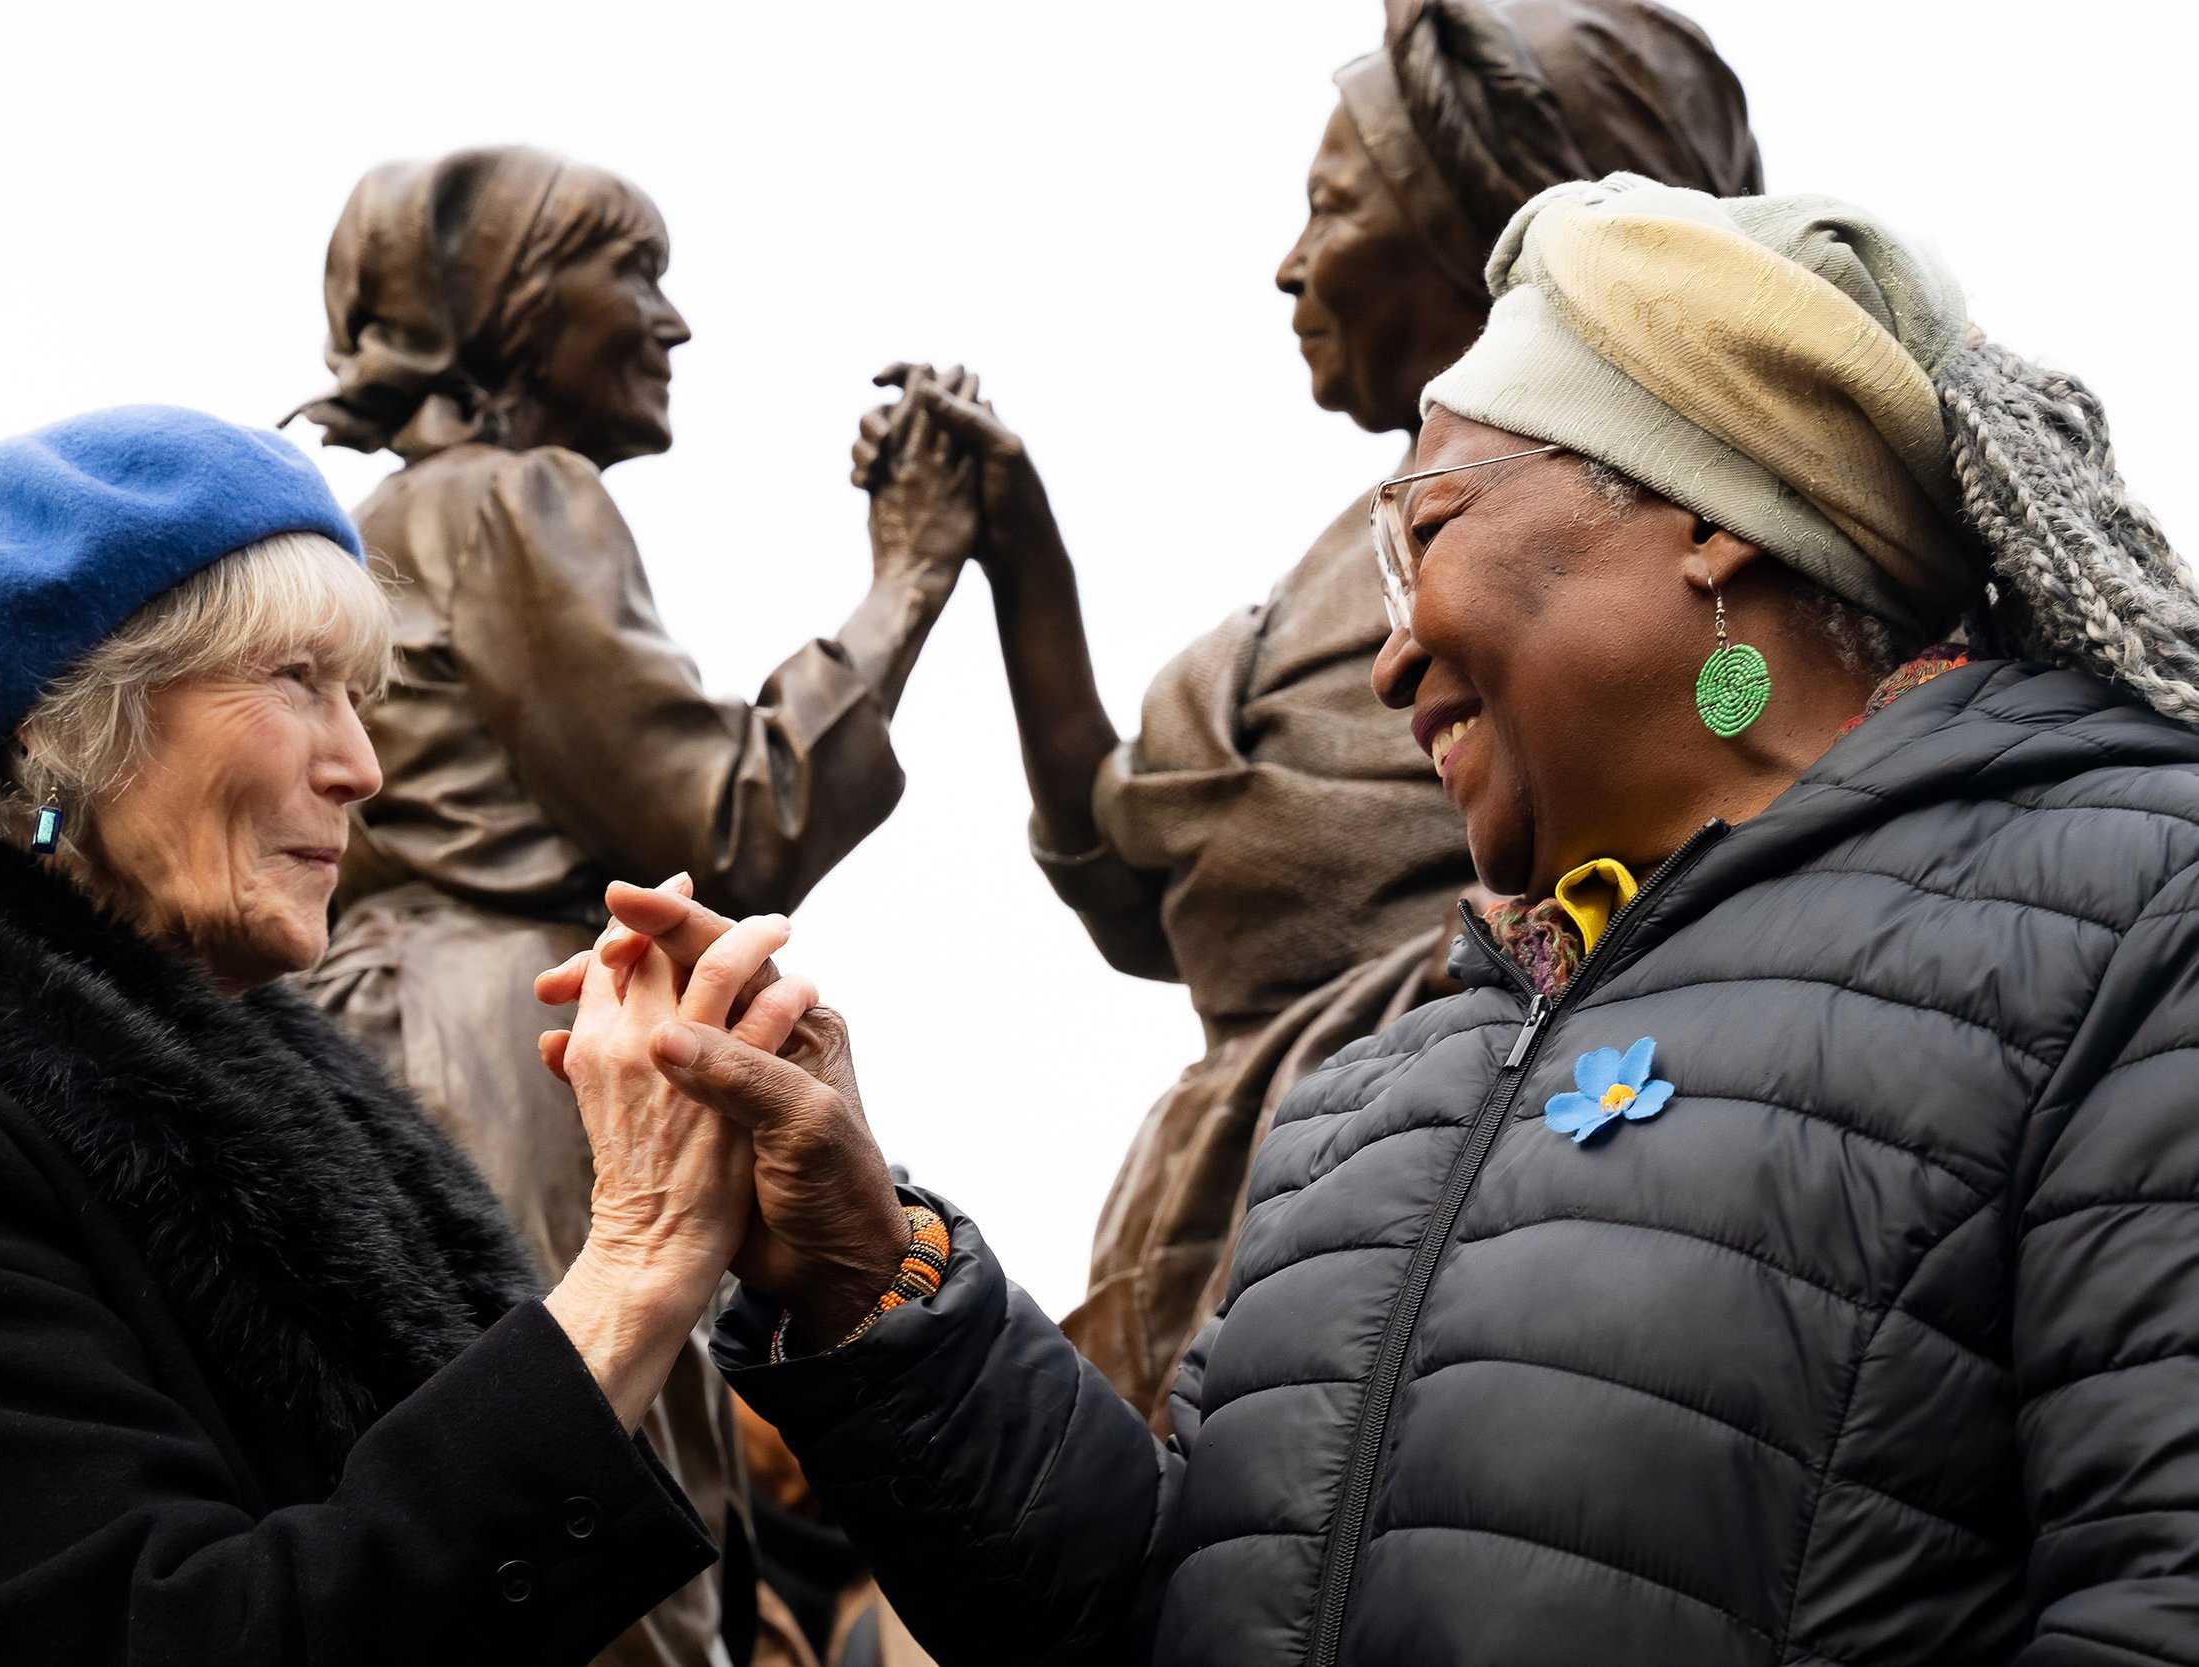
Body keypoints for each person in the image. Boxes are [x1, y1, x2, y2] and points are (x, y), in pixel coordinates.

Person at [568, 178, 2199, 1662]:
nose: (1388, 652)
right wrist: (866, 1261)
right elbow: (1178, 1620)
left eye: (1426, 533)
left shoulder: (2138, 920)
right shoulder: (1388, 1085)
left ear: (1712, 510)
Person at [0, 406, 818, 1665]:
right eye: (295, 680)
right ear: (67, 724)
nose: (361, 764)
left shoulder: (328, 1127)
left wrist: (791, 1258)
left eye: (363, 695)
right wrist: (637, 1263)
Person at [853, 0, 1763, 1419]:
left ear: (1485, 236)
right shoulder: (1369, 547)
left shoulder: (1600, 566)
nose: (1290, 264)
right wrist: (1024, 559)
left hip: (1464, 1219)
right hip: (1265, 1204)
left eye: (1332, 206)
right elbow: (1144, 889)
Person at [290, 146, 975, 1665]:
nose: (673, 326)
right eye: (635, 273)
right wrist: (910, 573)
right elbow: (728, 816)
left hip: (398, 1045)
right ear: (519, 314)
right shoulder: (508, 498)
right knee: (585, 1504)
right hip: (508, 1048)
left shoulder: (396, 520)